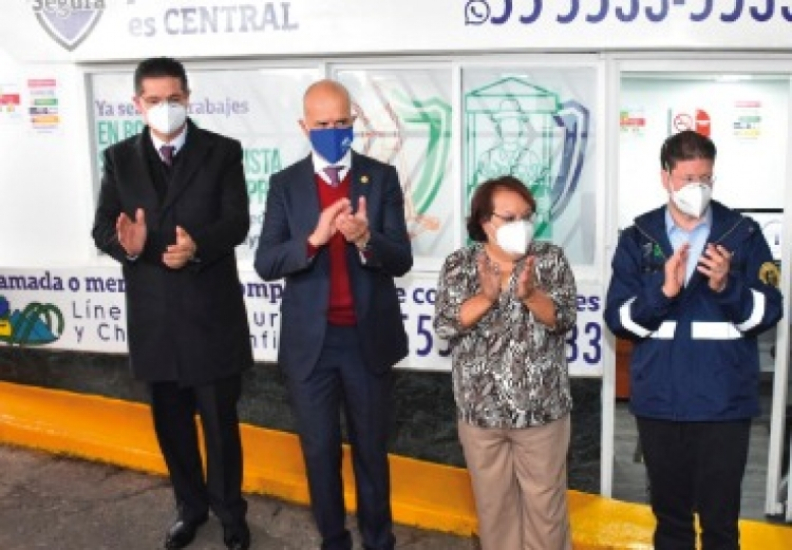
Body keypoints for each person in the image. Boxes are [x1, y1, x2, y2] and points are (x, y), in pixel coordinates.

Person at [92, 57, 253, 550]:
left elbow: (237, 222)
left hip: (211, 318)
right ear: (137, 104)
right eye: (155, 100)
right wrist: (129, 247)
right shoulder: (119, 158)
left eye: (174, 98)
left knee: (221, 427)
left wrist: (197, 247)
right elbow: (103, 229)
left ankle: (231, 513)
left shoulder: (222, 151)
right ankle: (190, 509)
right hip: (156, 322)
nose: (166, 107)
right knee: (171, 426)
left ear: (188, 98)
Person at [604, 129, 783, 549]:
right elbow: (619, 320)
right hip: (661, 403)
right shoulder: (638, 239)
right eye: (687, 179)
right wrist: (663, 292)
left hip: (724, 404)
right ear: (665, 177)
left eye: (705, 178)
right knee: (671, 524)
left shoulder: (743, 235)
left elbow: (768, 311)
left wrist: (727, 287)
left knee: (721, 524)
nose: (697, 188)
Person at [254, 79, 412, 550]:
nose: (333, 131)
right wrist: (313, 240)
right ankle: (333, 540)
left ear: (354, 121)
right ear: (304, 127)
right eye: (322, 124)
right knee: (320, 453)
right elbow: (267, 263)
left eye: (342, 122)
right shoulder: (285, 185)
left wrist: (365, 238)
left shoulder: (380, 178)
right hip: (311, 348)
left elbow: (400, 259)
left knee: (371, 451)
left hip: (366, 341)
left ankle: (378, 540)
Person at [434, 175, 577, 550]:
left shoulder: (550, 259)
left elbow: (564, 319)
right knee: (495, 511)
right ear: (485, 222)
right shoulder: (460, 265)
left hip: (542, 412)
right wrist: (486, 297)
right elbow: (445, 325)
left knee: (546, 512)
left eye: (527, 216)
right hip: (482, 414)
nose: (521, 225)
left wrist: (530, 295)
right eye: (510, 218)